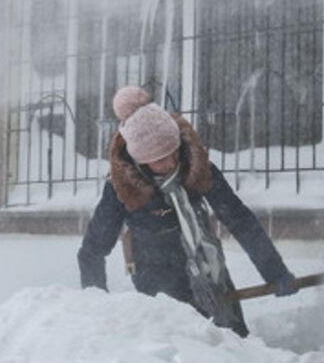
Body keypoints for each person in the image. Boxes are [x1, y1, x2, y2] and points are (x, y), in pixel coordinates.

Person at [78, 94, 299, 336]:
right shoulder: (122, 187)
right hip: (160, 296)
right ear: (140, 160)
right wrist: (96, 311)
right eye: (160, 159)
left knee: (236, 350)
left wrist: (275, 272)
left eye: (173, 152)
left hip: (213, 280)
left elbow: (239, 220)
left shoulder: (195, 167)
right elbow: (92, 250)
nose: (171, 163)